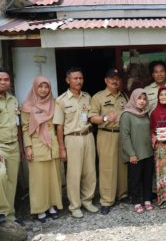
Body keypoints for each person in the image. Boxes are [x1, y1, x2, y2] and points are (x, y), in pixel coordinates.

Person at [53, 67, 98, 218]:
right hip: (72, 139)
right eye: (75, 78)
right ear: (67, 80)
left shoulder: (87, 97)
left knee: (90, 171)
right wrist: (61, 148)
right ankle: (75, 205)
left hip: (88, 135)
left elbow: (91, 116)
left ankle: (87, 200)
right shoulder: (61, 101)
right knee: (73, 174)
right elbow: (59, 125)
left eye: (81, 78)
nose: (79, 81)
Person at [21, 76, 63, 222]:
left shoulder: (54, 103)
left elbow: (58, 125)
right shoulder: (27, 105)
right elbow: (25, 128)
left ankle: (52, 206)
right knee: (38, 180)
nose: (44, 90)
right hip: (37, 145)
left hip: (52, 145)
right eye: (41, 86)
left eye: (46, 87)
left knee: (53, 178)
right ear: (35, 87)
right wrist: (28, 147)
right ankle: (40, 209)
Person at [89, 68, 128, 215]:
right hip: (106, 134)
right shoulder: (98, 97)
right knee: (107, 168)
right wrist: (105, 118)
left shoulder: (124, 96)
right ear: (106, 80)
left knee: (122, 166)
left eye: (117, 78)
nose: (115, 80)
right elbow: (92, 118)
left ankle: (122, 194)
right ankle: (106, 200)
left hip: (122, 135)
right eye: (112, 77)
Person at [119, 88, 154, 214]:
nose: (142, 101)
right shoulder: (126, 114)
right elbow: (124, 136)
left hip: (148, 151)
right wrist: (131, 154)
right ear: (134, 99)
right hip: (135, 153)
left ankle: (147, 199)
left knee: (147, 177)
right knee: (135, 179)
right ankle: (136, 201)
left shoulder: (145, 113)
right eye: (139, 98)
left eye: (144, 99)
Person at [0, 68, 21, 222]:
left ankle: (11, 216)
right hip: (0, 146)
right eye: (0, 79)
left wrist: (20, 145)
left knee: (12, 181)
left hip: (14, 145)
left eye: (6, 79)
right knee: (1, 177)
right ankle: (2, 213)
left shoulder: (13, 100)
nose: (3, 82)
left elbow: (17, 124)